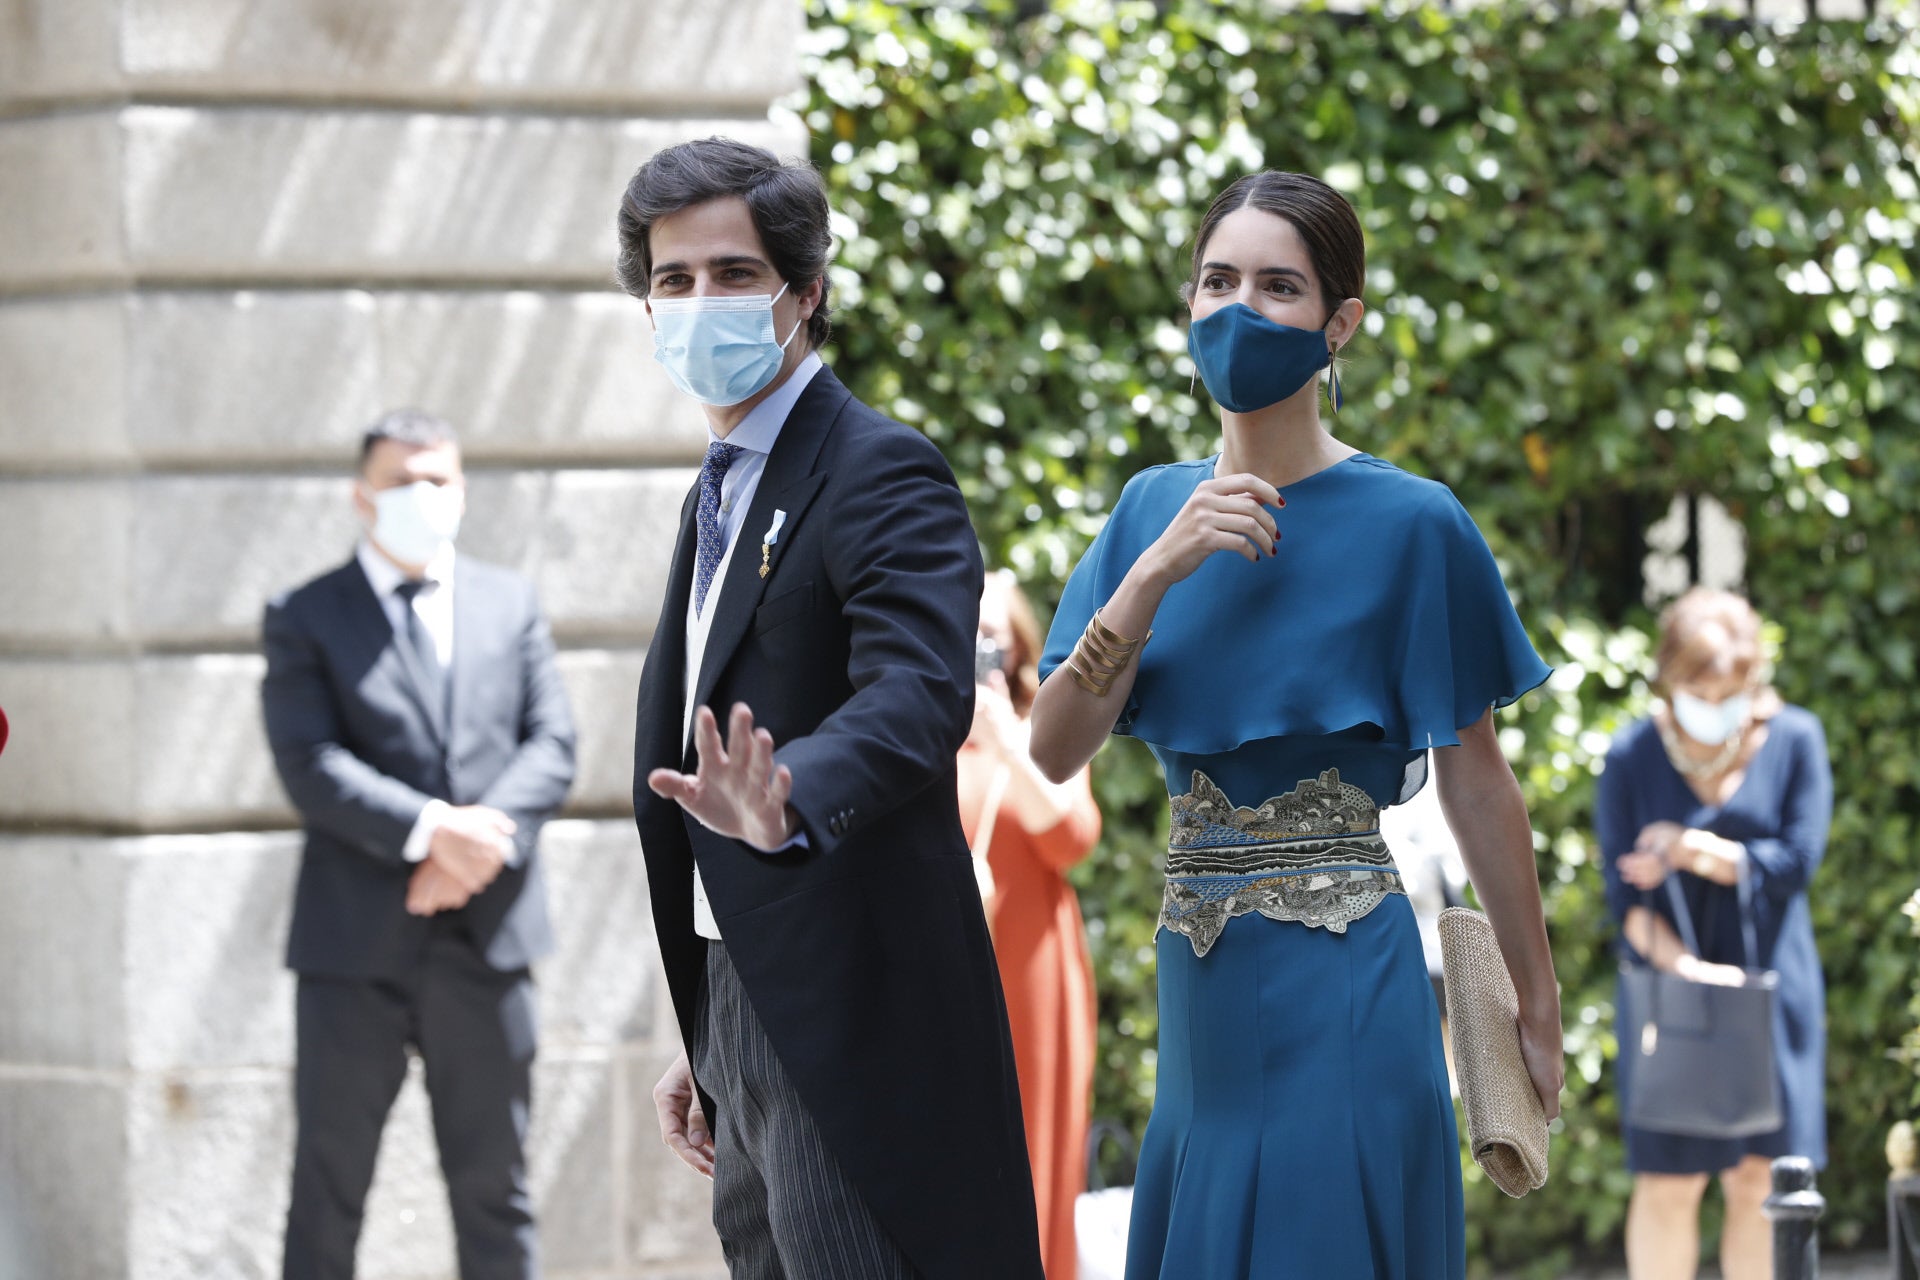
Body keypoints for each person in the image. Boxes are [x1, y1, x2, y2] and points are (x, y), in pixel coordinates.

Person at [1027, 170, 1564, 1279]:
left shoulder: (1417, 523)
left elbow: (1476, 781)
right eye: (1218, 280)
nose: (1240, 309)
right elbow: (1053, 746)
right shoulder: (1146, 510)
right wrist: (1153, 573)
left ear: (1340, 324)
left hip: (1348, 980)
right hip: (1201, 986)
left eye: (1280, 286)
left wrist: (1535, 998)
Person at [620, 138, 1043, 1280]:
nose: (699, 302)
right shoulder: (715, 491)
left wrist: (790, 792)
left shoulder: (878, 466)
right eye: (673, 281)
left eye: (734, 274)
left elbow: (915, 696)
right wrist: (712, 1022)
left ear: (805, 294)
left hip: (866, 1016)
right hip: (747, 999)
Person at [261, 409, 577, 1280]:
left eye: (437, 478)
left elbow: (552, 747)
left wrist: (475, 853)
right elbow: (310, 763)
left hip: (489, 940)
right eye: (401, 481)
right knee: (327, 1191)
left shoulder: (509, 603)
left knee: (496, 1192)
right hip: (352, 950)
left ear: (464, 490)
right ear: (362, 500)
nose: (422, 496)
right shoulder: (304, 615)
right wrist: (438, 833)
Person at [1597, 587, 1831, 1280]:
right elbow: (1624, 901)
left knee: (1762, 1180)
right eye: (1701, 685)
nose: (1717, 698)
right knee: (1669, 1183)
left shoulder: (1795, 739)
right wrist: (1692, 974)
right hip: (1673, 995)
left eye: (1732, 686)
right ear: (1670, 677)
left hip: (1771, 990)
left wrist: (1690, 848)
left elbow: (1796, 862)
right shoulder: (1632, 754)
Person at [962, 569, 1102, 1280]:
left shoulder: (1046, 734)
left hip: (1033, 976)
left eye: (993, 634)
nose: (982, 648)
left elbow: (1073, 836)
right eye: (966, 634)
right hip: (946, 981)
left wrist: (1008, 742)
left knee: (1036, 1155)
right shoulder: (915, 737)